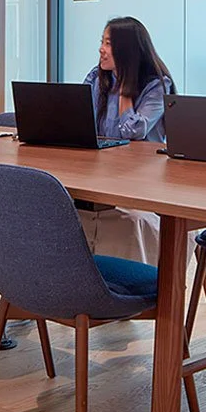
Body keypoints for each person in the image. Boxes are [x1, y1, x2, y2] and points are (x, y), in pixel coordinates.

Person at [78, 16, 174, 264]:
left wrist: (125, 88)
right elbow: (77, 115)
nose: (101, 49)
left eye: (108, 43)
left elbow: (134, 132)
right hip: (101, 171)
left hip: (141, 176)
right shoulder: (97, 78)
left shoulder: (157, 85)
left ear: (127, 51)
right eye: (102, 41)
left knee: (127, 219)